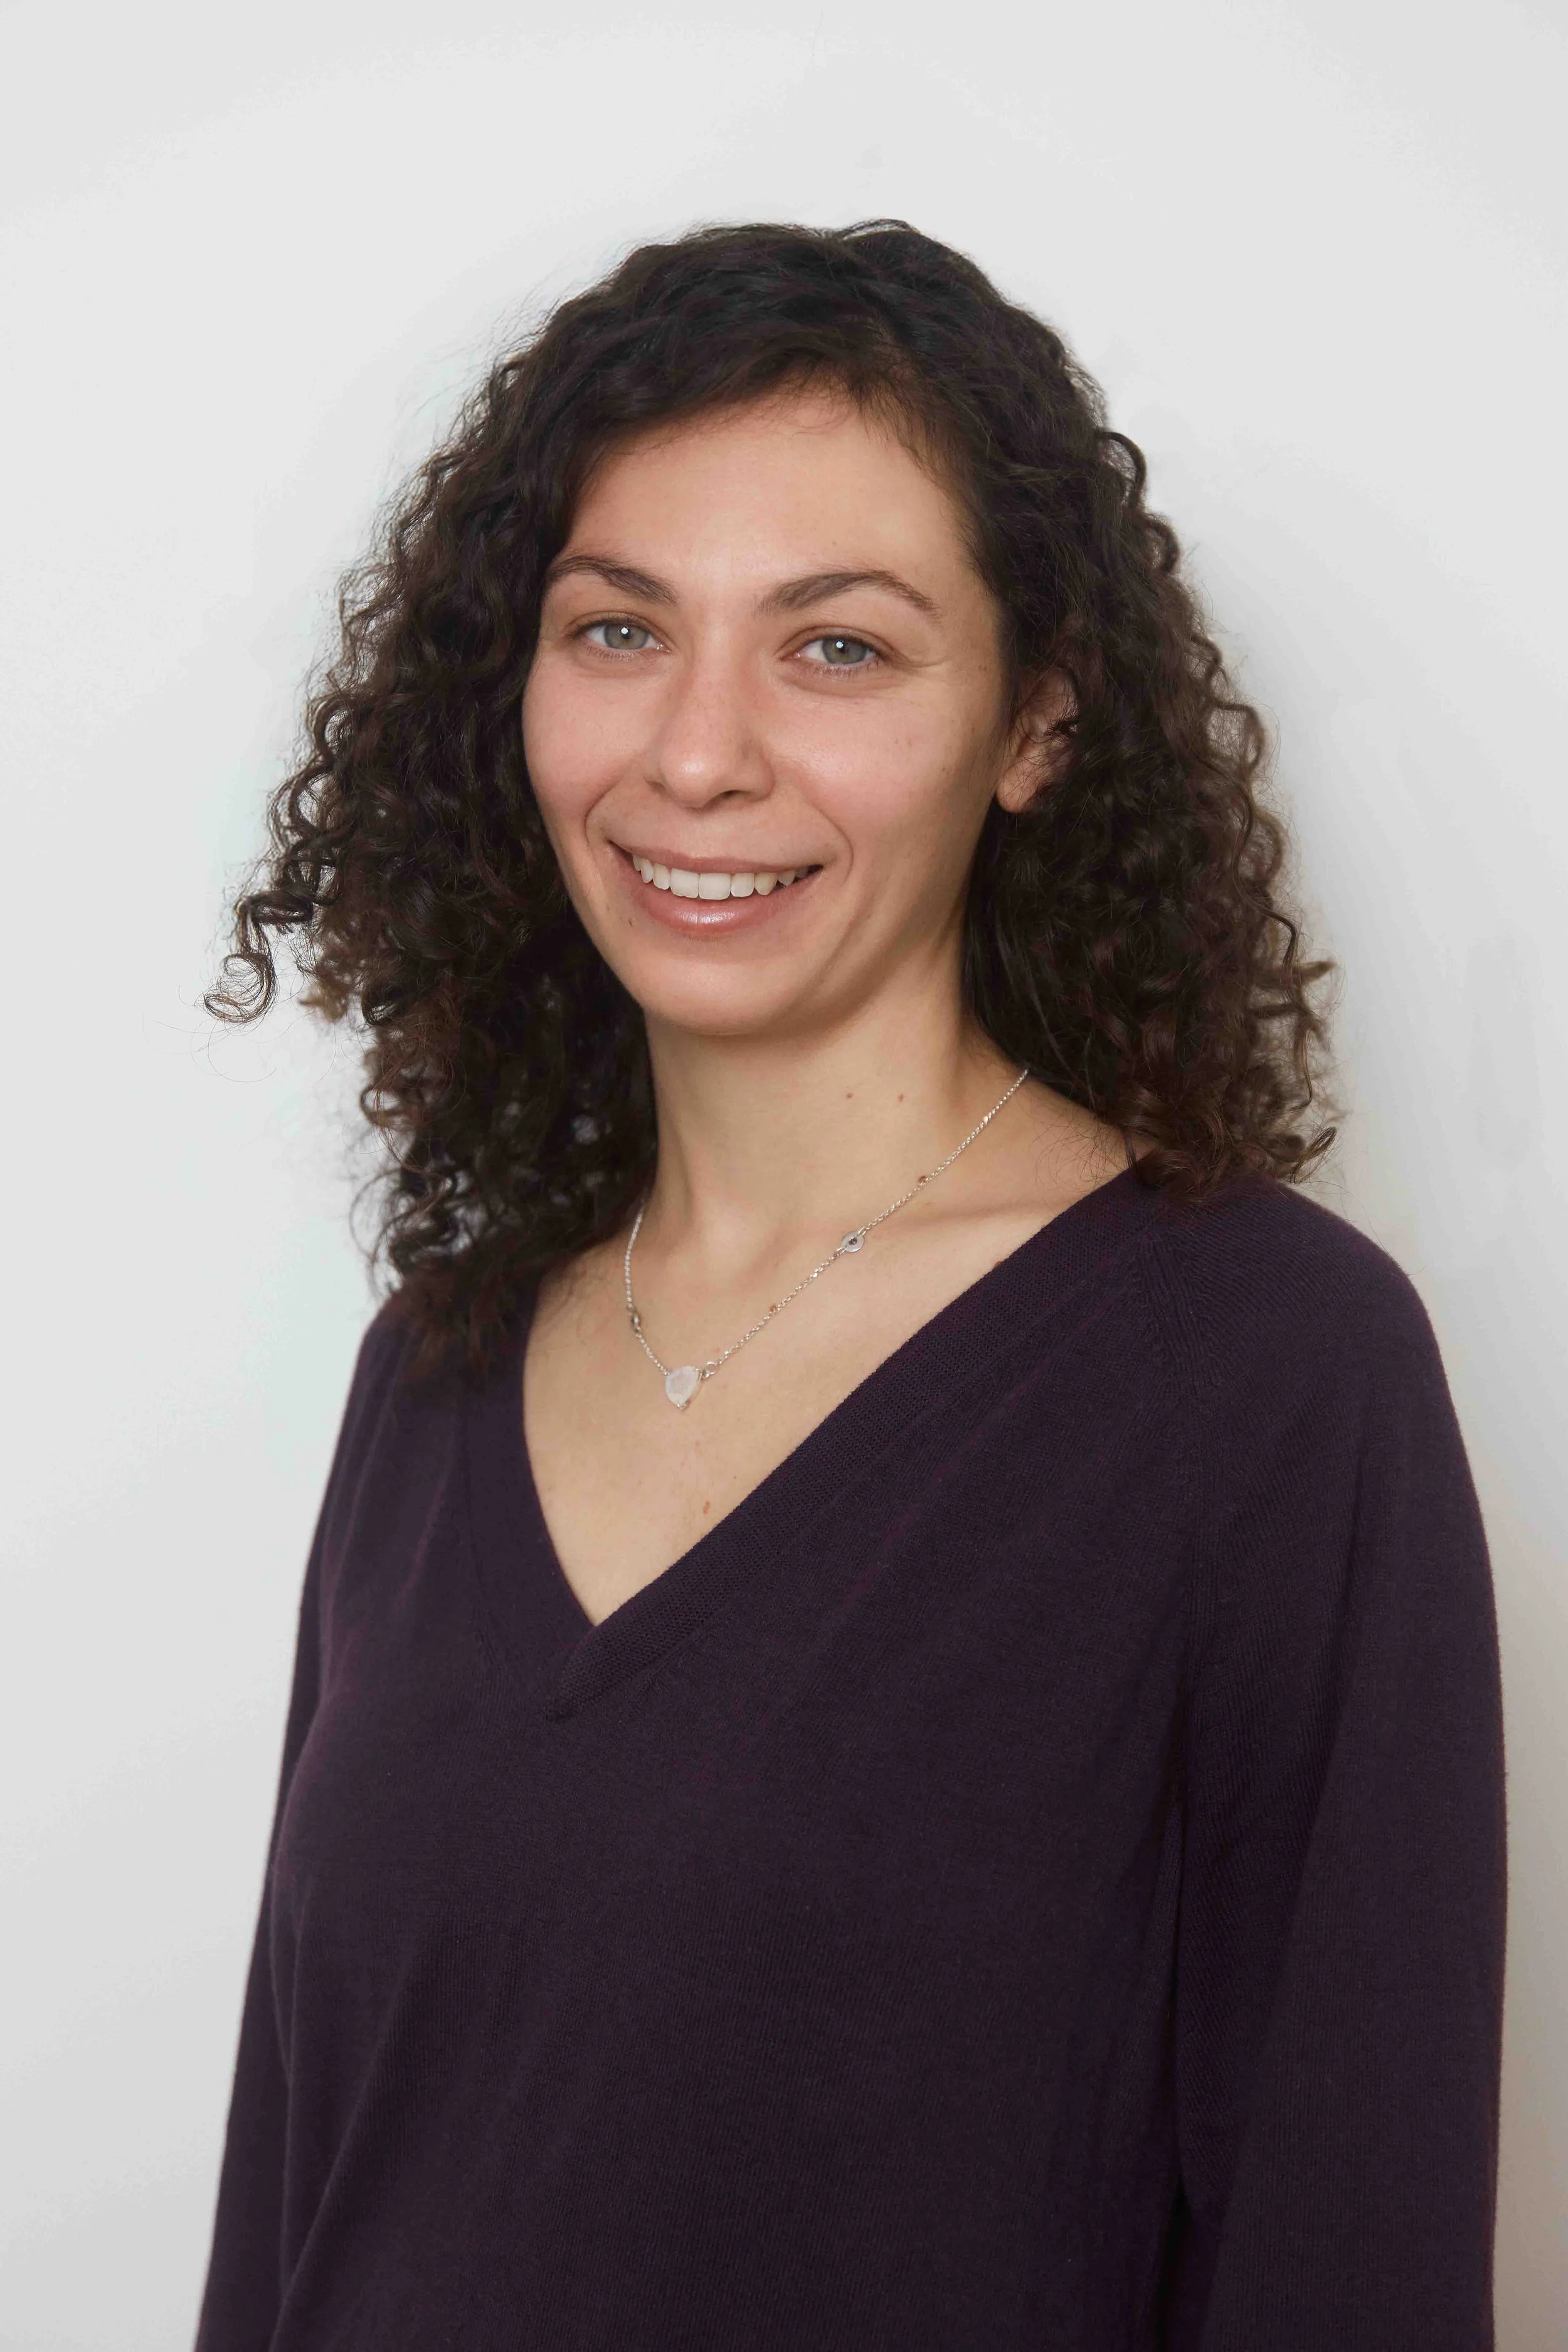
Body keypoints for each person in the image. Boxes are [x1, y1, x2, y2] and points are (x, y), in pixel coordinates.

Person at [192, 221, 1507, 2350]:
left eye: (837, 647)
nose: (696, 752)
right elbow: (288, 2207)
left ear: (1034, 721)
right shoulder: (435, 1369)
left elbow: (1343, 2254)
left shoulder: (1262, 1370)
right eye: (618, 628)